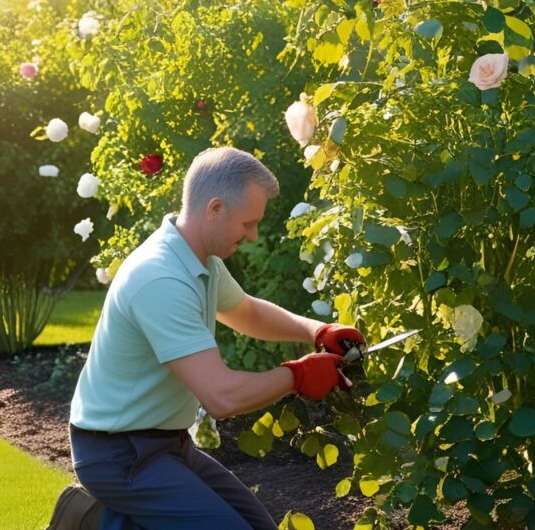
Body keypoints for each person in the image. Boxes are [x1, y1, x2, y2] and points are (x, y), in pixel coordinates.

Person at [68, 146, 366, 530]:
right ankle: (97, 520)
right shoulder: (161, 278)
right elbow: (222, 397)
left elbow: (245, 311)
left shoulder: (199, 261)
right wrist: (299, 376)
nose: (254, 235)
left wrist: (316, 331)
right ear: (214, 209)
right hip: (118, 454)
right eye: (247, 224)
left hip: (165, 443)